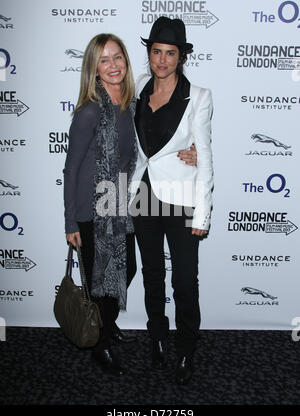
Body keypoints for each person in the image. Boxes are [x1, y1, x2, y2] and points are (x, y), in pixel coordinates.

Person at [63, 33, 197, 377]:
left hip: (119, 198)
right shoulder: (89, 112)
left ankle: (106, 323)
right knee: (100, 281)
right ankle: (100, 342)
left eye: (118, 57)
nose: (113, 66)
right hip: (91, 208)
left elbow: (157, 142)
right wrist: (71, 222)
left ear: (126, 60)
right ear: (93, 69)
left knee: (125, 271)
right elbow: (71, 167)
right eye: (104, 60)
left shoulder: (131, 105)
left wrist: (192, 151)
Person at [130, 17, 213, 385]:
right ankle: (158, 340)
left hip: (181, 200)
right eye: (157, 52)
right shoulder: (137, 89)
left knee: (184, 280)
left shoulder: (198, 97)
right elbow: (136, 148)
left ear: (181, 57)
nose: (162, 60)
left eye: (170, 53)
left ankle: (186, 348)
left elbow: (205, 157)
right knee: (152, 276)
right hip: (143, 195)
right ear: (149, 54)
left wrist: (203, 214)